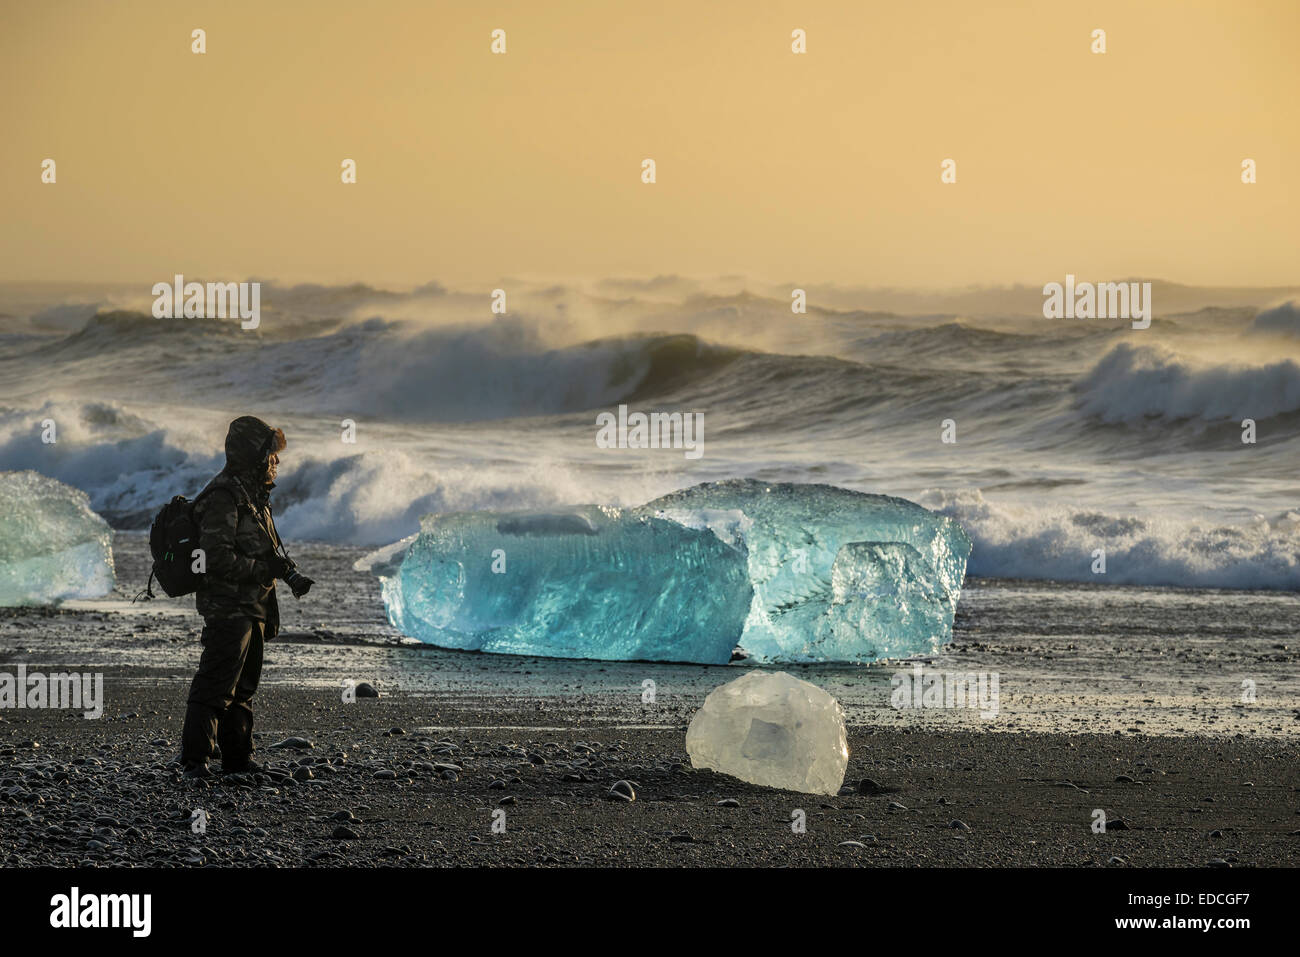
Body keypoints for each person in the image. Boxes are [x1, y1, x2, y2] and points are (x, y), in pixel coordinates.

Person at [179, 415, 306, 778]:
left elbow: (257, 549)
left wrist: (281, 568)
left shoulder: (252, 496)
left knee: (244, 686)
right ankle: (195, 759)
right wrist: (262, 571)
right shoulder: (223, 496)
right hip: (228, 606)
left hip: (252, 606)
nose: (276, 462)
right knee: (217, 682)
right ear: (253, 456)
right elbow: (214, 558)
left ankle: (238, 759)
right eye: (270, 455)